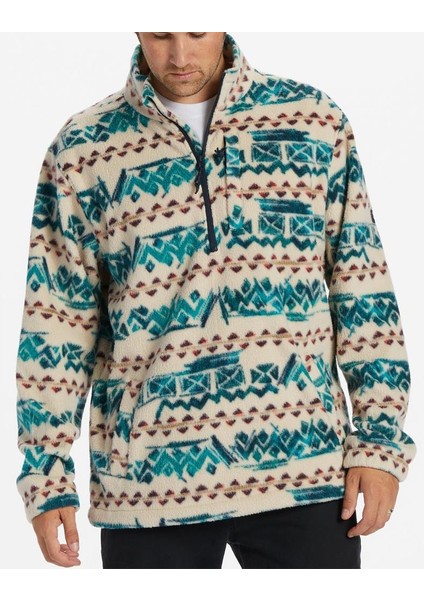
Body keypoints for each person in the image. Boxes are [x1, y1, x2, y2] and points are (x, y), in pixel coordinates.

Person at [15, 31, 417, 569]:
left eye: (196, 32)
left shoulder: (314, 122)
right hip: (147, 488)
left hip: (305, 469)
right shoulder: (82, 149)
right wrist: (46, 476)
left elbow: (362, 285)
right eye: (161, 34)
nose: (180, 56)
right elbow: (58, 319)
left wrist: (380, 441)